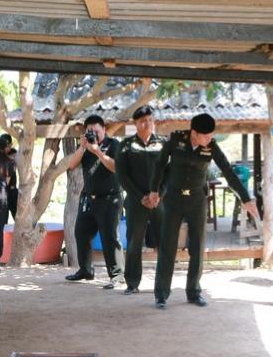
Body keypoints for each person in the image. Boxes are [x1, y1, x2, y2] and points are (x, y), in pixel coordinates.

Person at [150, 113, 260, 309]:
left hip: (197, 201)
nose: (210, 139)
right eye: (206, 135)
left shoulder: (212, 146)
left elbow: (227, 170)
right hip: (173, 199)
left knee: (198, 246)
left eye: (211, 135)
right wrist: (154, 190)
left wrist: (245, 198)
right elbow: (159, 165)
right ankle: (161, 294)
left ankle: (194, 292)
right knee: (168, 246)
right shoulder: (176, 140)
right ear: (194, 133)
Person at [64, 115, 123, 288]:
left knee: (109, 237)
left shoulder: (114, 145)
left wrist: (97, 151)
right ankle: (86, 270)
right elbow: (72, 165)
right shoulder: (85, 146)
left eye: (97, 131)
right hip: (88, 199)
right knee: (81, 232)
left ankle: (117, 275)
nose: (94, 135)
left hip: (110, 199)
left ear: (104, 129)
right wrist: (83, 147)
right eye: (90, 132)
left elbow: (116, 167)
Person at [114, 106, 165, 295]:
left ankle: (163, 283)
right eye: (143, 121)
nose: (147, 123)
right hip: (136, 202)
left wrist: (159, 194)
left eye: (150, 120)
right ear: (135, 123)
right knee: (134, 243)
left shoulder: (163, 143)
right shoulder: (125, 145)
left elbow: (170, 172)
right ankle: (132, 283)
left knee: (163, 242)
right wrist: (141, 196)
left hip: (160, 201)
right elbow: (122, 175)